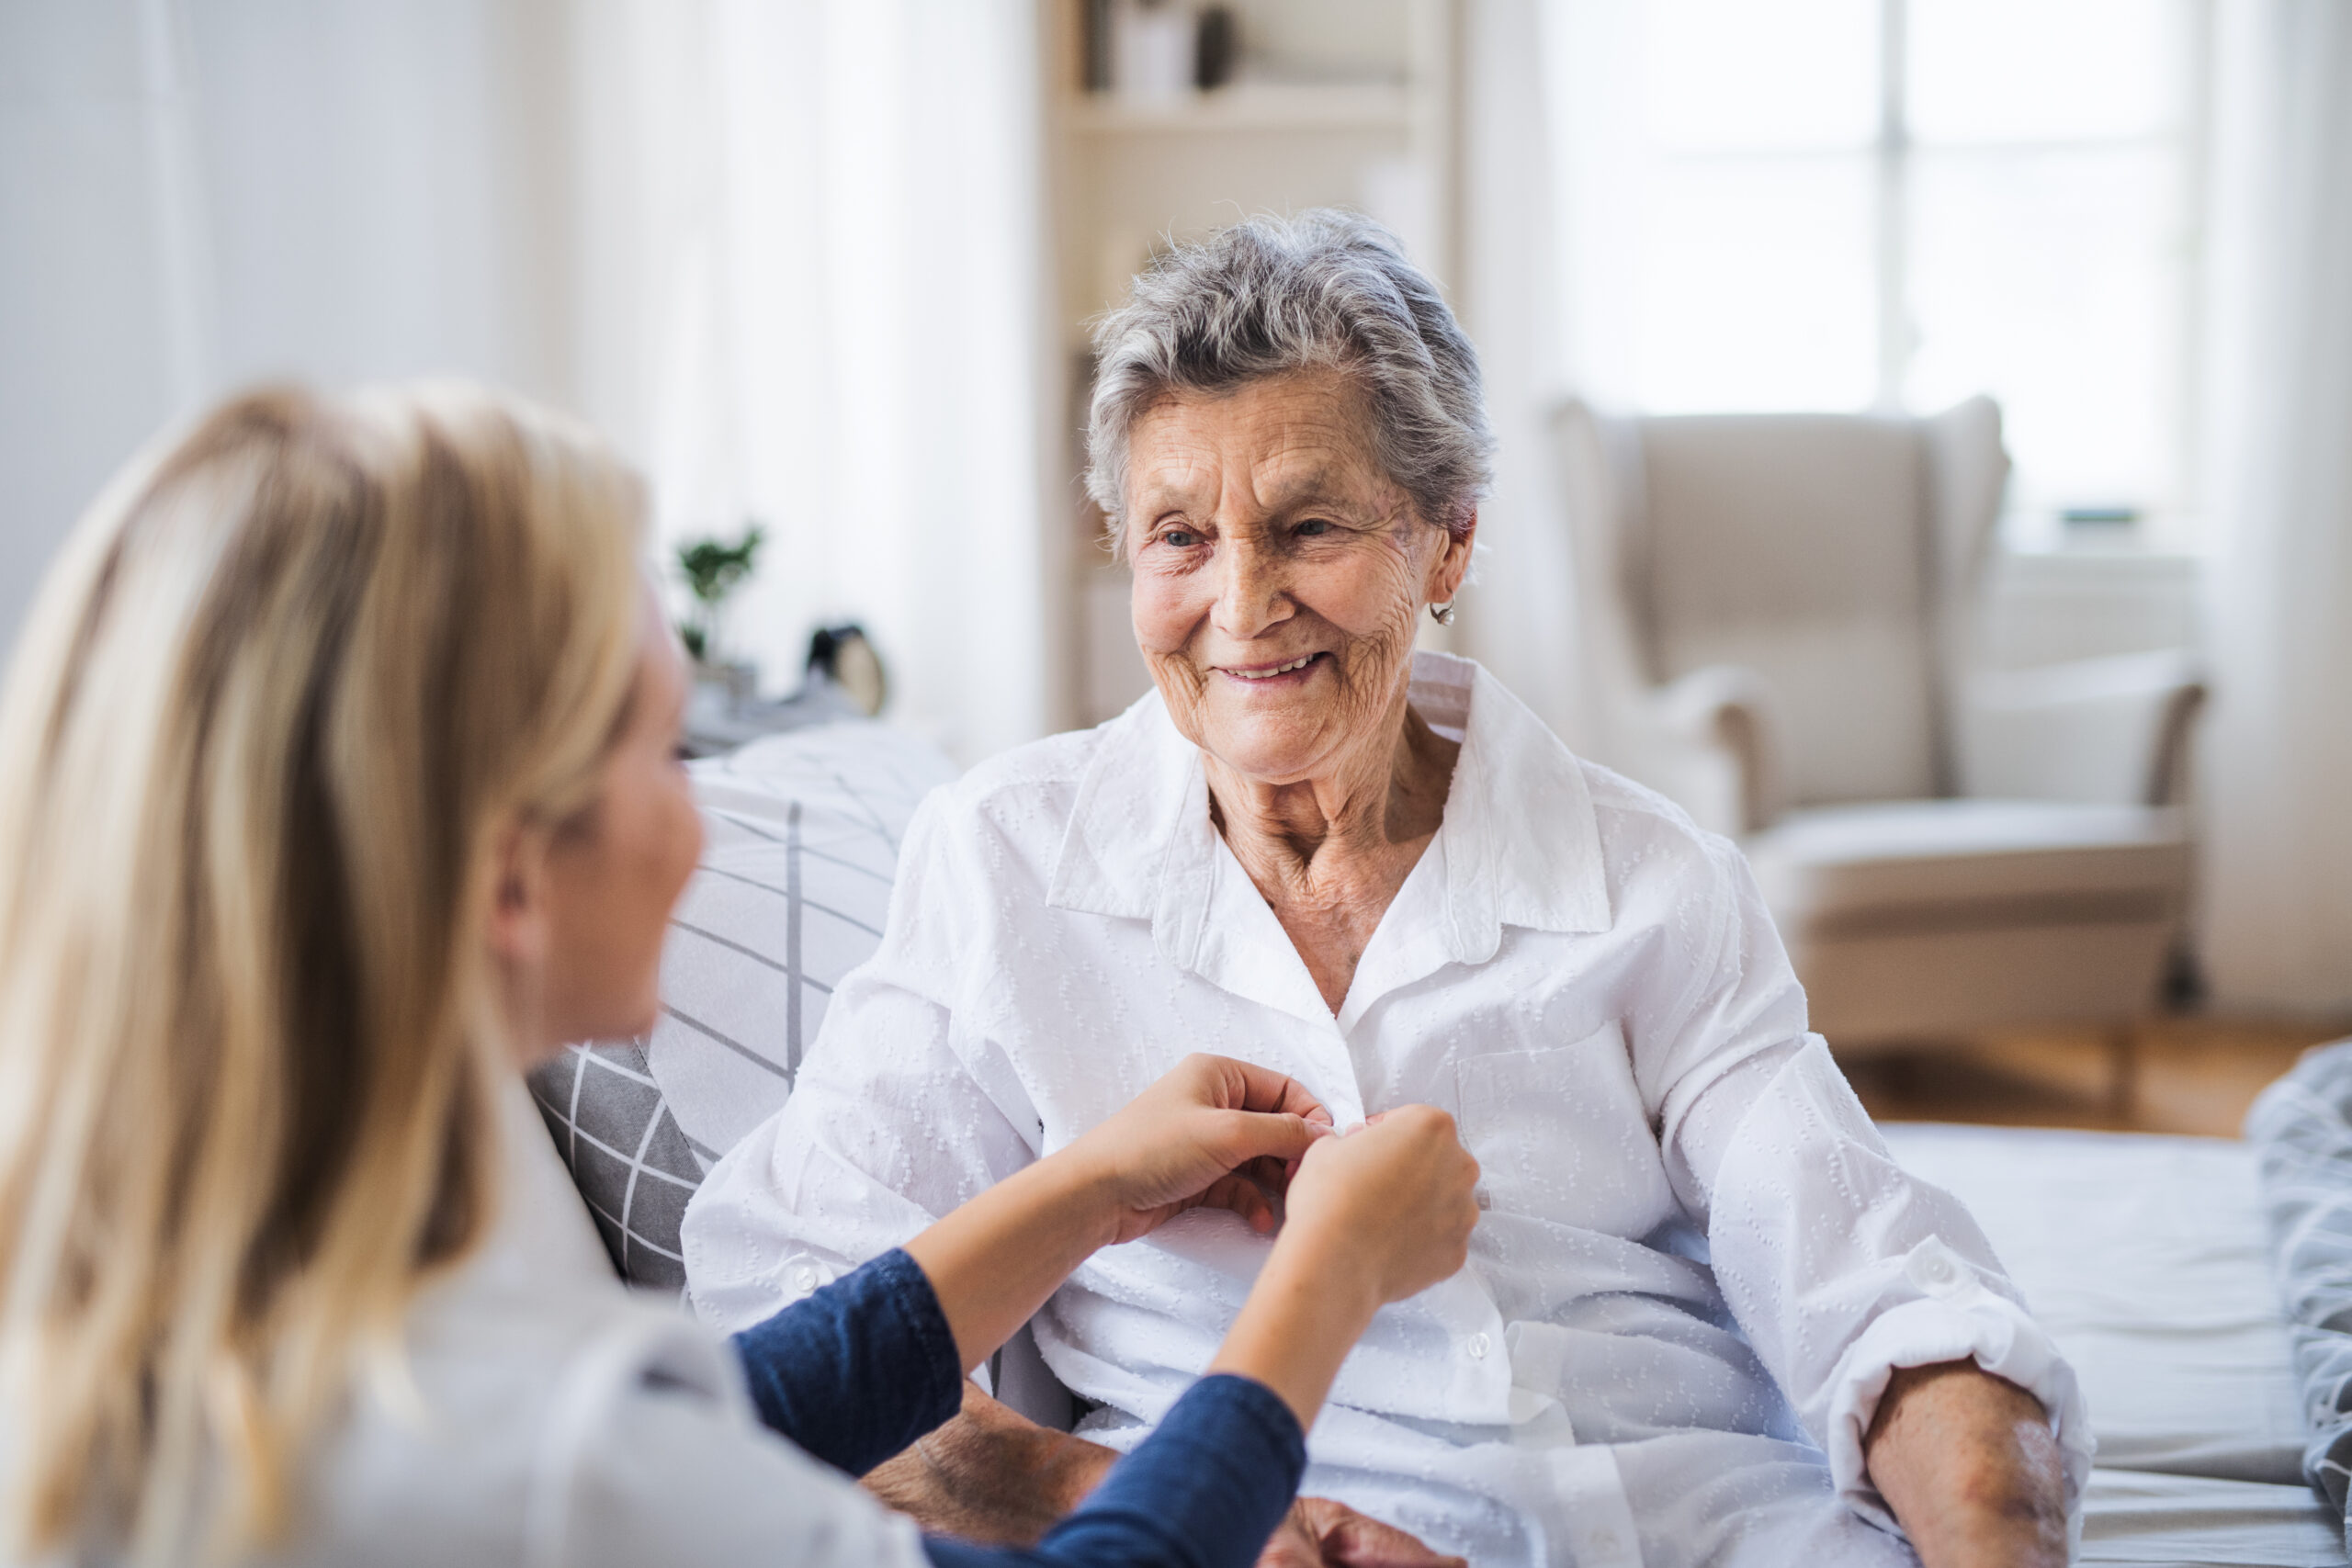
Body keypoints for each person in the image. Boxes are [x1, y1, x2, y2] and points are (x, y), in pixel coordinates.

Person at [682, 211, 2091, 1568]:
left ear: (1449, 541)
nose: (1241, 605)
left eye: (1308, 529)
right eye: (1179, 537)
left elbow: (1881, 1291)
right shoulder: (1004, 861)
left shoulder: (1650, 881)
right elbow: (792, 1297)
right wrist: (1115, 1502)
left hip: (1696, 1523)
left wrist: (1986, 1524)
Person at [0, 383, 1485, 1567]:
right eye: (664, 748)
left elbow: (741, 1411)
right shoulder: (549, 1471)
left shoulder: (231, 1342)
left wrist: (1086, 1187)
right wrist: (1326, 1276)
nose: (701, 812)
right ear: (512, 875)